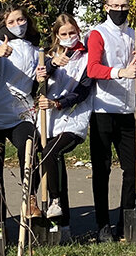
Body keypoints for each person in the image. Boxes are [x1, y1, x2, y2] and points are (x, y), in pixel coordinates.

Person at [85, 0, 136, 241]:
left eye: (124, 6)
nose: (121, 11)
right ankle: (103, 224)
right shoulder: (98, 34)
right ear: (106, 7)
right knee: (102, 170)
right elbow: (92, 69)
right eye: (116, 6)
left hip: (128, 110)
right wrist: (121, 72)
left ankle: (125, 221)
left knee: (133, 169)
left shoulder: (134, 34)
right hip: (103, 109)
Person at [0, 4, 43, 228]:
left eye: (21, 20)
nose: (18, 25)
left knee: (31, 147)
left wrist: (42, 76)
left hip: (20, 114)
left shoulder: (35, 49)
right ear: (4, 25)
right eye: (11, 22)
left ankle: (31, 198)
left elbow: (34, 83)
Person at [35, 14, 94, 243]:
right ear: (56, 36)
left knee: (51, 152)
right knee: (52, 167)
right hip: (48, 120)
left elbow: (83, 90)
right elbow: (36, 84)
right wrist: (49, 67)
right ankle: (59, 225)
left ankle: (55, 201)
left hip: (74, 118)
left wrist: (58, 103)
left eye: (72, 33)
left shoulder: (87, 57)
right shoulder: (48, 57)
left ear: (78, 31)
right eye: (64, 34)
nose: (69, 37)